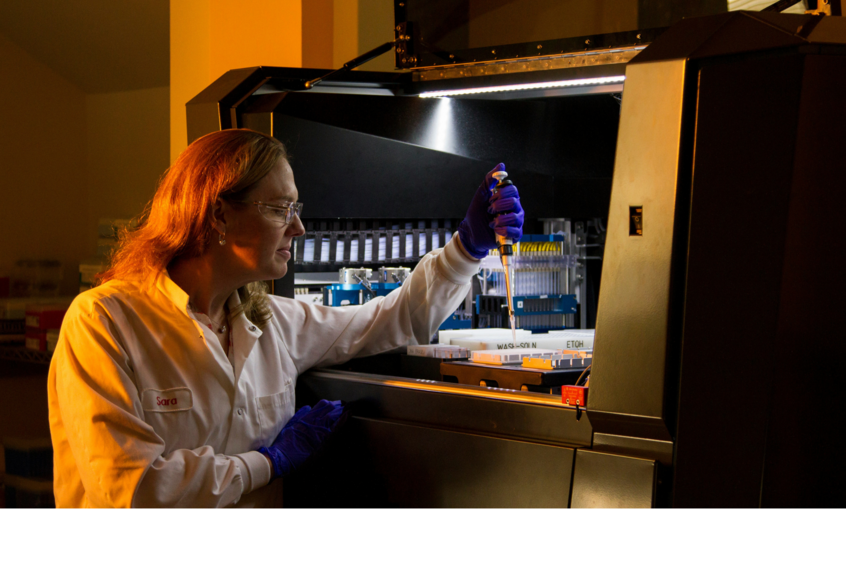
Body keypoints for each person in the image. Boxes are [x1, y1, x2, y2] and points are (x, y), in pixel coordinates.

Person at [47, 128, 524, 508]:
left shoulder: (271, 321)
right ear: (217, 216)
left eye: (296, 208)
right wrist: (267, 463)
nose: (298, 226)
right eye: (279, 209)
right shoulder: (105, 322)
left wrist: (467, 248)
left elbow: (390, 318)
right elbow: (132, 489)